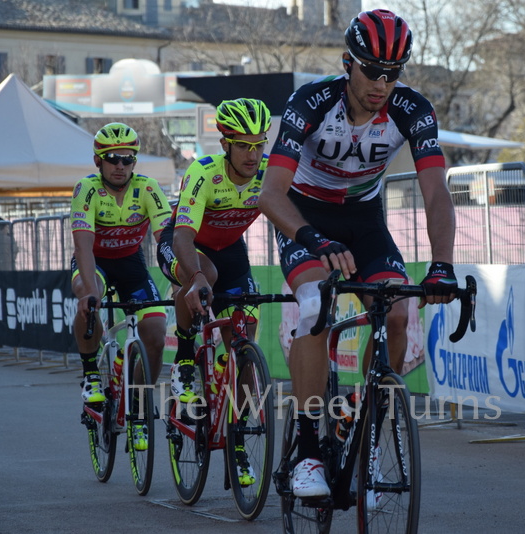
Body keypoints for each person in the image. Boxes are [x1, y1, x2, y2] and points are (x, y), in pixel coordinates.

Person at [258, 9, 458, 498]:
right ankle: (307, 449)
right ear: (348, 62)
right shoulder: (311, 101)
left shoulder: (414, 110)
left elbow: (436, 192)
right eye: (371, 70)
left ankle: (360, 416)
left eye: (393, 73)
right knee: (315, 305)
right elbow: (269, 194)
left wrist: (443, 265)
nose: (382, 83)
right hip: (304, 215)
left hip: (363, 219)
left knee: (395, 313)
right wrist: (312, 239)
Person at [156, 97, 271, 487]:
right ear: (225, 144)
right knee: (205, 274)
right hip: (184, 245)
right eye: (243, 145)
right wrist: (198, 279)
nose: (253, 154)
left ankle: (237, 440)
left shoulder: (269, 173)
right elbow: (184, 235)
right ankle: (186, 358)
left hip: (229, 249)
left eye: (259, 144)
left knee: (244, 334)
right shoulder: (203, 173)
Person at [70, 122, 172, 451]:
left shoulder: (148, 187)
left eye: (128, 159)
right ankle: (90, 374)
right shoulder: (85, 188)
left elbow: (165, 238)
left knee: (155, 331)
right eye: (112, 158)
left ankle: (140, 407)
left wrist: (183, 274)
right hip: (94, 262)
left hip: (130, 264)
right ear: (98, 161)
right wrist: (90, 292)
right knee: (89, 299)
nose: (120, 165)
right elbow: (83, 247)